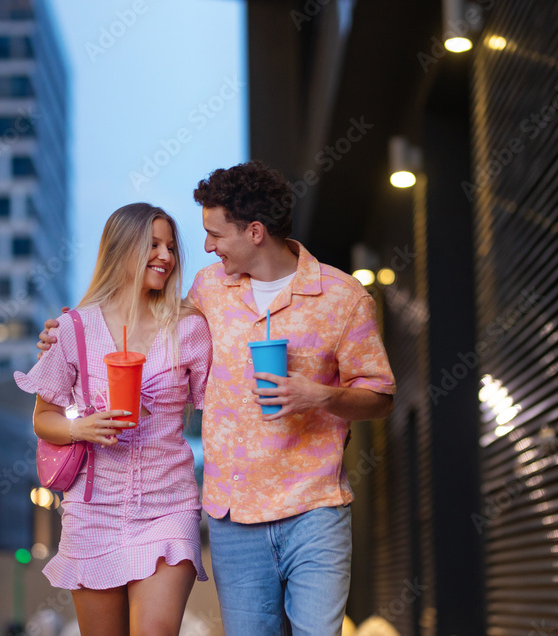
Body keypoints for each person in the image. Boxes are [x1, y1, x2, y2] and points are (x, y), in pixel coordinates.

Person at [39, 162, 396, 636]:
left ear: (253, 232)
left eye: (213, 234)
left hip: (313, 504)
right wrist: (64, 334)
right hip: (233, 513)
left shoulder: (342, 296)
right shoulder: (210, 289)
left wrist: (319, 394)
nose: (202, 247)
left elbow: (382, 396)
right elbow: (148, 315)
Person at [15, 203, 211, 636]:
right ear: (122, 249)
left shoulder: (189, 328)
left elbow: (220, 407)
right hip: (93, 509)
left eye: (171, 247)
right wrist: (78, 428)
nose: (166, 256)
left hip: (168, 504)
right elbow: (43, 418)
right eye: (153, 245)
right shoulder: (75, 329)